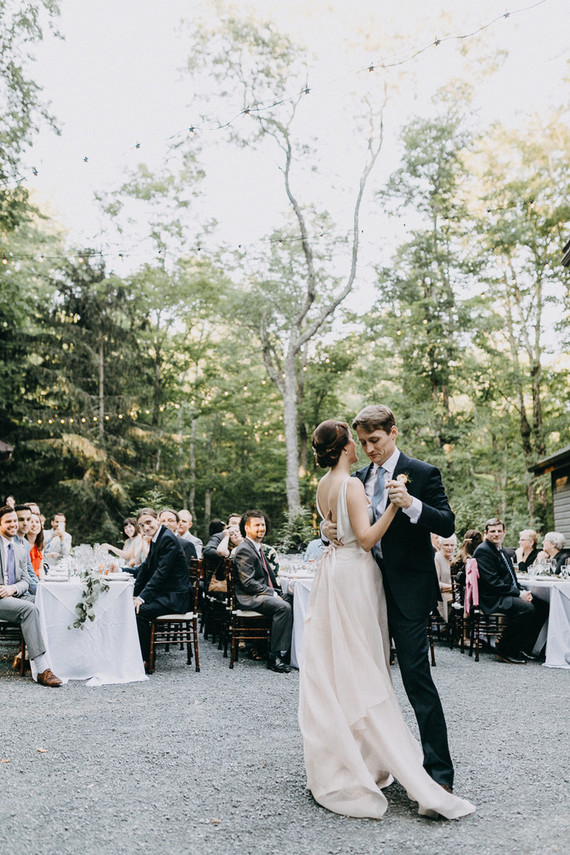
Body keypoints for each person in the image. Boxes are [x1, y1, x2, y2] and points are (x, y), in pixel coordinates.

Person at [299, 421, 475, 819]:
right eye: (361, 442)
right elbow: (352, 530)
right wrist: (328, 530)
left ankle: (438, 773)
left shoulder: (424, 472)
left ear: (392, 432)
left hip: (407, 593)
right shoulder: (355, 478)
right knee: (363, 674)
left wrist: (409, 503)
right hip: (363, 591)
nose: (369, 448)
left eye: (374, 440)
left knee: (416, 679)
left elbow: (446, 523)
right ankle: (365, 763)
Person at [0, 506, 62, 686]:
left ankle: (53, 658)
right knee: (29, 609)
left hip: (15, 595)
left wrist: (13, 588)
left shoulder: (21, 545)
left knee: (46, 603)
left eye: (14, 521)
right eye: (8, 521)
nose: (13, 525)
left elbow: (26, 579)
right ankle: (43, 670)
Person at [473, 518, 549, 663]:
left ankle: (524, 648)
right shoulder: (484, 550)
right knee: (527, 609)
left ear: (504, 532)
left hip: (503, 593)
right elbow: (492, 583)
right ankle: (505, 649)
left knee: (543, 606)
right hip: (492, 598)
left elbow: (510, 577)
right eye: (493, 531)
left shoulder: (500, 549)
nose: (496, 534)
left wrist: (523, 592)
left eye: (499, 531)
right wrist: (519, 594)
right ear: (486, 533)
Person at [129, 508, 191, 670]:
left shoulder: (167, 539)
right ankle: (132, 654)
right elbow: (146, 569)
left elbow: (160, 574)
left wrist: (141, 598)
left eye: (148, 522)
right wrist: (133, 594)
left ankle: (146, 659)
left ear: (157, 519)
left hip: (175, 597)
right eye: (142, 525)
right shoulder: (157, 537)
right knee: (130, 605)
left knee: (140, 611)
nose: (146, 528)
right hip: (164, 594)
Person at [232, 511, 293, 673]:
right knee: (283, 607)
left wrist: (277, 591)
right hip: (249, 597)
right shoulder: (245, 549)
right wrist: (272, 593)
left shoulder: (256, 547)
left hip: (260, 593)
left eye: (263, 524)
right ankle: (275, 657)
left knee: (294, 598)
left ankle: (290, 651)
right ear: (247, 528)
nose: (261, 528)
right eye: (257, 525)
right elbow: (248, 583)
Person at [14, 504, 38, 596]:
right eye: (21, 519)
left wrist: (40, 586)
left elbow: (30, 571)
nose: (25, 523)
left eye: (28, 519)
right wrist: (39, 591)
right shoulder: (10, 543)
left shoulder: (25, 543)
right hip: (16, 591)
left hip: (27, 589)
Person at [26, 512, 45, 579]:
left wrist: (42, 579)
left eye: (37, 522)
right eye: (31, 522)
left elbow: (40, 568)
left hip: (37, 580)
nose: (34, 525)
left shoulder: (40, 545)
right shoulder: (22, 544)